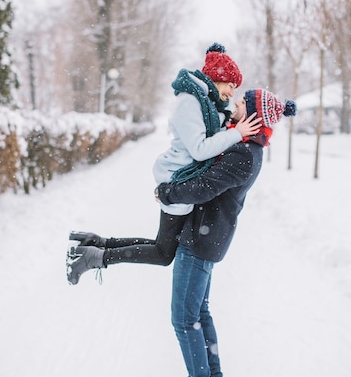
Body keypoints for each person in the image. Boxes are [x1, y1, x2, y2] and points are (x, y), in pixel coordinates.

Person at [156, 88, 297, 377]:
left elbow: (204, 186)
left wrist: (168, 191)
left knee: (183, 318)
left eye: (241, 103)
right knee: (199, 311)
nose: (234, 104)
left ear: (253, 116)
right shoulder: (246, 147)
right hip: (207, 235)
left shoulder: (245, 154)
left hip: (202, 238)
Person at [67, 43, 261, 285]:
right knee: (163, 253)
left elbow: (212, 132)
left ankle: (94, 245)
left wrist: (232, 124)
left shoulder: (205, 103)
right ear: (218, 79)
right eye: (231, 86)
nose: (232, 93)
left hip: (182, 177)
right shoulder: (190, 101)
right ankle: (92, 257)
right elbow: (200, 149)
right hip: (177, 178)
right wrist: (236, 133)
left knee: (162, 245)